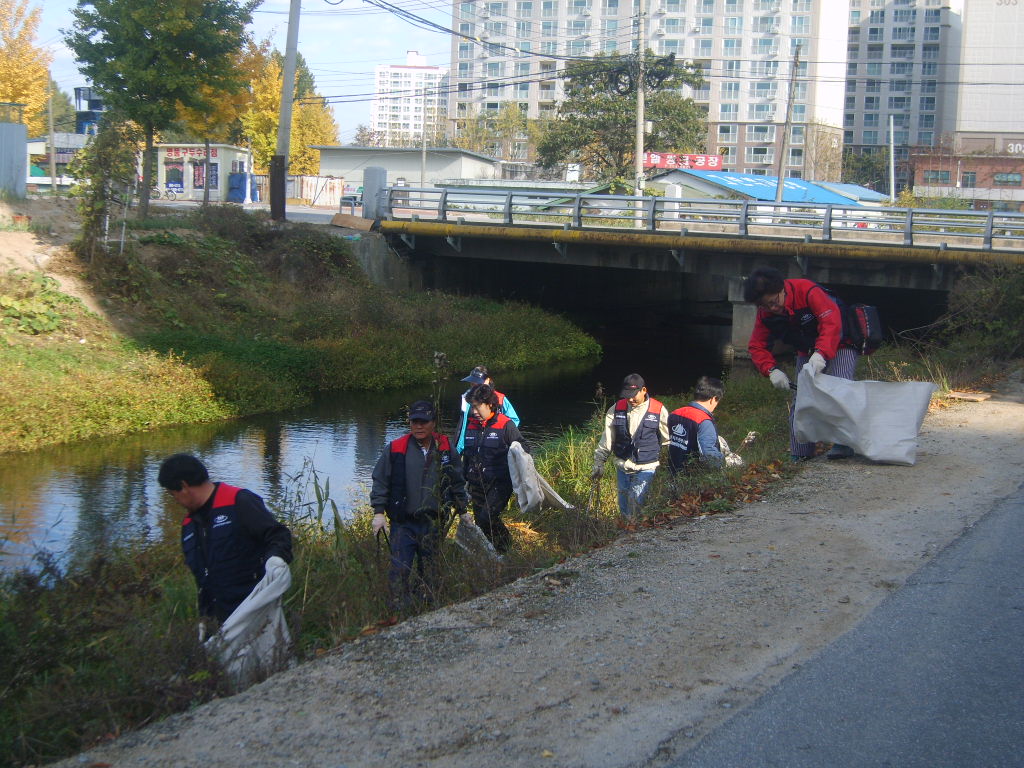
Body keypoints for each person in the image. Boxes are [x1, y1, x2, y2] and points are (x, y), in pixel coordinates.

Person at [158, 453, 293, 623]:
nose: (175, 501)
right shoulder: (189, 526)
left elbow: (278, 535)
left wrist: (276, 560)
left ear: (183, 486)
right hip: (217, 622)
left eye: (173, 494)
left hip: (255, 614)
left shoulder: (238, 502)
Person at [743, 266, 858, 460]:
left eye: (774, 302)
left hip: (840, 343)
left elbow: (831, 323)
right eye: (765, 306)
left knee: (840, 389)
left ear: (782, 290)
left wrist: (822, 353)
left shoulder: (807, 291)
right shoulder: (766, 314)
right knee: (802, 400)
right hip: (808, 349)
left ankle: (843, 443)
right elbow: (757, 346)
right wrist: (771, 370)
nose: (772, 308)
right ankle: (800, 453)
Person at [370, 400, 470, 608]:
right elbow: (381, 480)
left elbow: (456, 480)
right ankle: (398, 611)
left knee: (431, 571)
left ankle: (428, 608)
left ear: (433, 422)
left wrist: (463, 510)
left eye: (424, 421)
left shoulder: (444, 446)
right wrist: (379, 513)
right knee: (399, 569)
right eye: (415, 421)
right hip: (403, 523)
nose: (419, 426)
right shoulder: (396, 448)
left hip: (433, 523)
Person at [591, 374, 670, 520]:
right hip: (622, 466)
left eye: (634, 395)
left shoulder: (658, 410)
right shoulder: (616, 409)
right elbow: (607, 439)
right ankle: (626, 534)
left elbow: (668, 441)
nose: (630, 399)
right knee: (624, 507)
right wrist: (599, 463)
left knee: (635, 503)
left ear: (644, 390)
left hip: (646, 467)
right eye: (627, 396)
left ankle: (634, 533)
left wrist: (670, 467)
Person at [462, 384, 528, 553]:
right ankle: (494, 554)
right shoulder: (470, 425)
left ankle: (507, 547)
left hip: (499, 484)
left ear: (489, 404)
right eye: (472, 407)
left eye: (477, 407)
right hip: (476, 482)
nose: (474, 411)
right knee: (481, 523)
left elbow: (524, 449)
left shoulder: (505, 425)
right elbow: (467, 456)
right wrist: (463, 480)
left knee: (487, 518)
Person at [455, 365, 520, 454]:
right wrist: (459, 450)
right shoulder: (467, 398)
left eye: (477, 382)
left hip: (494, 447)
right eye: (472, 382)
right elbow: (463, 427)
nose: (474, 385)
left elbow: (514, 420)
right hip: (472, 446)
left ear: (487, 380)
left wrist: (498, 435)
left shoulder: (500, 399)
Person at [668, 376, 725, 474]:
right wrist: (726, 462)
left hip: (672, 474)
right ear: (713, 399)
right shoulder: (704, 421)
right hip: (693, 478)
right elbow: (709, 456)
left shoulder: (675, 413)